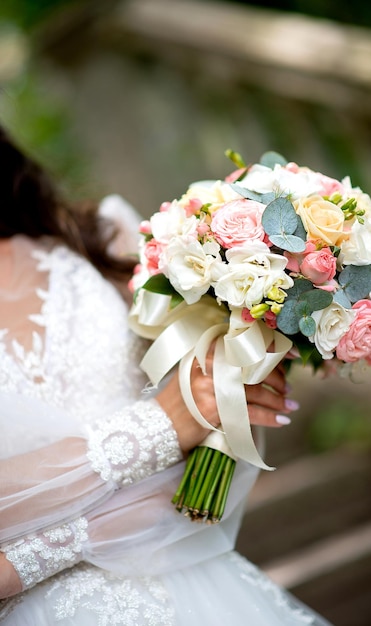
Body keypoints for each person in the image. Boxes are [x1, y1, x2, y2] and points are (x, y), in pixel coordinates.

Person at [0, 123, 332, 625]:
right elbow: (180, 416)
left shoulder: (96, 237)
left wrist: (231, 386)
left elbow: (221, 426)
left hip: (203, 589)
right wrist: (160, 425)